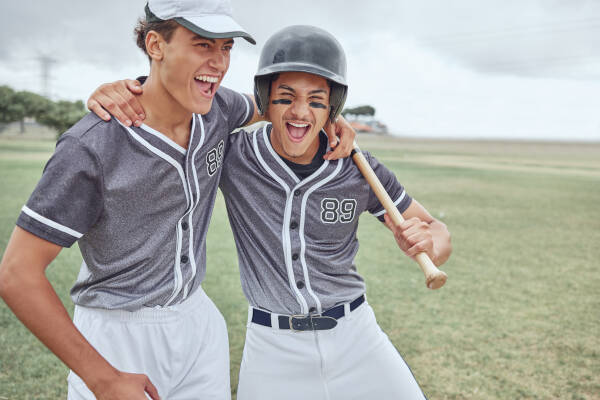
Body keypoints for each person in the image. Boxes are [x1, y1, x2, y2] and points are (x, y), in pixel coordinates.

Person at [0, 2, 357, 400]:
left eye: (226, 47)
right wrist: (101, 377)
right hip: (117, 337)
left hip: (197, 325)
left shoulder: (218, 109)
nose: (219, 62)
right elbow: (17, 274)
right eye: (203, 45)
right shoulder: (91, 147)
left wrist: (329, 119)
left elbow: (279, 105)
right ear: (156, 44)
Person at [89, 25, 452, 399]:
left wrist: (429, 243)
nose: (299, 112)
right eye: (285, 97)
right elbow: (173, 102)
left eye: (316, 100)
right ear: (265, 99)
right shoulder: (234, 154)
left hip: (356, 335)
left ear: (333, 107)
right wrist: (121, 89)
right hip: (272, 346)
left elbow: (435, 230)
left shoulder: (357, 167)